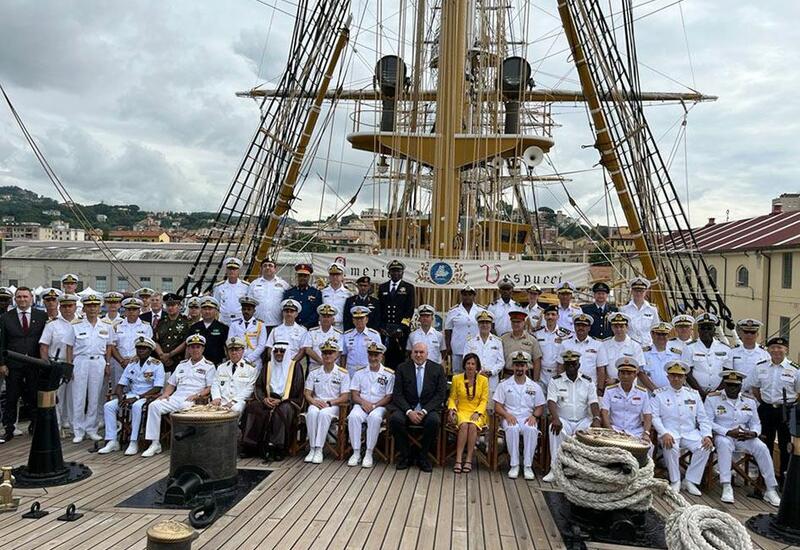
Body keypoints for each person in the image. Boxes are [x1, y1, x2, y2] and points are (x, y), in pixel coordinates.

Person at [705, 370, 781, 507]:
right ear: (724, 385)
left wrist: (754, 433)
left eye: (735, 385)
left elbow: (756, 423)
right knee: (724, 444)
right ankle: (726, 485)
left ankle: (770, 489)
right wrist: (728, 432)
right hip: (723, 435)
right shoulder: (713, 399)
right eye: (729, 385)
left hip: (744, 436)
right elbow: (707, 422)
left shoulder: (749, 401)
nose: (732, 388)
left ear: (740, 386)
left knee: (762, 448)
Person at [141, 334, 216, 457]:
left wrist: (197, 395)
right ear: (188, 349)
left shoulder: (209, 366)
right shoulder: (182, 365)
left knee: (185, 407)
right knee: (154, 405)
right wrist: (165, 394)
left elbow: (210, 387)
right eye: (192, 347)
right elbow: (171, 384)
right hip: (176, 396)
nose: (195, 350)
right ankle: (155, 443)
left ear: (203, 349)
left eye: (198, 347)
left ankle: (184, 442)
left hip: (195, 399)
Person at [650, 360, 713, 496]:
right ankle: (675, 480)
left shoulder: (693, 394)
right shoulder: (659, 394)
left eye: (679, 376)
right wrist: (664, 433)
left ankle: (690, 480)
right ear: (668, 377)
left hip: (690, 433)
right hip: (669, 432)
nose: (676, 379)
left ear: (684, 378)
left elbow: (703, 418)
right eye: (673, 375)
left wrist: (707, 435)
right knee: (670, 446)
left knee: (705, 447)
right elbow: (654, 417)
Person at [98, 336, 164, 455]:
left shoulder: (157, 364)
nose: (140, 350)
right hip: (131, 394)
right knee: (109, 406)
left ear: (150, 351)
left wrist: (137, 398)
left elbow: (158, 387)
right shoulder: (132, 364)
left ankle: (133, 442)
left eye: (144, 348)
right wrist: (120, 398)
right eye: (138, 348)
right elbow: (120, 385)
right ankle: (112, 440)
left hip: (147, 396)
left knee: (136, 406)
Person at [240, 341, 305, 461]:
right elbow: (259, 386)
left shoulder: (295, 366)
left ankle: (277, 447)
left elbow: (297, 389)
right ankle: (251, 446)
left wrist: (281, 400)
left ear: (287, 352)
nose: (278, 353)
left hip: (288, 401)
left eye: (282, 351)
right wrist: (264, 399)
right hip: (268, 399)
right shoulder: (268, 366)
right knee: (253, 408)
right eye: (276, 351)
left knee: (282, 411)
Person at [389, 342, 448, 472]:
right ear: (411, 354)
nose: (418, 355)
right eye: (415, 352)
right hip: (407, 408)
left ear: (427, 354)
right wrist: (409, 411)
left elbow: (440, 395)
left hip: (428, 409)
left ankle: (423, 456)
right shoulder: (402, 368)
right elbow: (397, 394)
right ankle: (406, 455)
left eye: (421, 352)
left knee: (434, 421)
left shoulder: (437, 369)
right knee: (395, 420)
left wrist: (424, 411)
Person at [543, 350, 601, 483]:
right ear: (564, 365)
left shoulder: (588, 381)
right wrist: (555, 418)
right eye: (568, 364)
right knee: (554, 429)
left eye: (573, 364)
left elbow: (593, 402)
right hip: (563, 420)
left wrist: (596, 418)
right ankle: (555, 469)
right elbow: (551, 401)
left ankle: (583, 472)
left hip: (582, 420)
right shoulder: (555, 381)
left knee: (593, 432)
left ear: (578, 365)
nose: (571, 367)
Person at [0, 286, 49, 441]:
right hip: (13, 365)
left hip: (34, 364)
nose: (22, 299)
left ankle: (34, 425)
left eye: (25, 296)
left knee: (34, 396)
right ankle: (9, 428)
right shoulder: (5, 317)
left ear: (31, 298)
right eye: (19, 297)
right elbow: (2, 342)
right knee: (11, 397)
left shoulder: (42, 316)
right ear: (15, 299)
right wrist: (2, 364)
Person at [751, 336, 800, 483]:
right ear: (768, 350)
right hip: (766, 409)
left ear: (786, 350)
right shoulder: (761, 367)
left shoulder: (795, 369)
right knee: (764, 444)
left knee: (786, 446)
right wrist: (764, 402)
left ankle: (784, 480)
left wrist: (791, 406)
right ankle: (763, 480)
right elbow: (755, 389)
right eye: (773, 347)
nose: (776, 350)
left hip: (786, 411)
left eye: (780, 348)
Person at [67, 293, 114, 443]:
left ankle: (91, 429)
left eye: (95, 306)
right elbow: (69, 347)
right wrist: (69, 366)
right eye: (89, 306)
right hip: (80, 361)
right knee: (78, 397)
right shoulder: (76, 325)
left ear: (99, 308)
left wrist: (107, 364)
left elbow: (109, 346)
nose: (92, 309)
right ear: (84, 308)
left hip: (98, 361)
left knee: (95, 397)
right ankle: (78, 430)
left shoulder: (106, 326)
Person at [494, 351, 546, 480]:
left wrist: (534, 416)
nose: (519, 368)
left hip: (527, 417)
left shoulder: (534, 386)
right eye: (517, 365)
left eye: (522, 365)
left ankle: (528, 466)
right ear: (512, 367)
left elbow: (540, 406)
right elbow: (497, 406)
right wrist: (506, 415)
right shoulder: (504, 385)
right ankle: (514, 465)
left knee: (531, 429)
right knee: (513, 428)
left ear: (527, 367)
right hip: (510, 417)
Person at [347, 342, 395, 468]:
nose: (373, 358)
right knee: (353, 417)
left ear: (381, 356)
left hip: (379, 406)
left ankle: (369, 453)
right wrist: (364, 403)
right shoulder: (359, 372)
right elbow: (354, 394)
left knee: (374, 418)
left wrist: (374, 406)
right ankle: (356, 452)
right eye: (370, 355)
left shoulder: (389, 374)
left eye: (376, 355)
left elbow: (388, 396)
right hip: (361, 404)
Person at [303, 338, 350, 464]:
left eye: (330, 353)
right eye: (324, 353)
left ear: (336, 355)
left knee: (324, 414)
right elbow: (307, 393)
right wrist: (313, 401)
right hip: (316, 402)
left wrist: (330, 403)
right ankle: (312, 448)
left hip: (334, 405)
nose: (327, 356)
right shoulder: (314, 373)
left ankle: (319, 449)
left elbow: (345, 396)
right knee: (312, 413)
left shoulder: (343, 373)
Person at [39, 293, 79, 431]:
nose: (67, 309)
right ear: (60, 308)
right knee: (57, 397)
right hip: (57, 363)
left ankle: (73, 425)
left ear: (75, 307)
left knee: (74, 397)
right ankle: (56, 425)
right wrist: (46, 365)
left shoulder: (81, 323)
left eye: (70, 306)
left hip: (76, 363)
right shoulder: (52, 325)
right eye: (64, 306)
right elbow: (44, 346)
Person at [447, 353, 489, 474]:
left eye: (473, 364)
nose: (470, 366)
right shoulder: (456, 379)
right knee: (464, 425)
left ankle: (469, 459)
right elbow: (452, 398)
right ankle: (458, 459)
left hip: (477, 412)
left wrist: (478, 412)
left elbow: (484, 400)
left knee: (472, 425)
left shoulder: (483, 380)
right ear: (464, 365)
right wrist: (452, 409)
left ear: (477, 366)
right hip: (461, 411)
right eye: (468, 363)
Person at [600, 357, 652, 442]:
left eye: (629, 373)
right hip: (615, 431)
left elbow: (647, 415)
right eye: (623, 373)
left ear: (635, 375)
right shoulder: (609, 391)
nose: (625, 376)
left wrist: (646, 433)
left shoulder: (642, 392)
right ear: (618, 375)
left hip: (635, 432)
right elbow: (604, 412)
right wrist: (610, 430)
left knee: (648, 446)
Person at [682, 312, 732, 399]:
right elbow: (687, 372)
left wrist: (716, 392)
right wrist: (701, 392)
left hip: (718, 394)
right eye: (703, 328)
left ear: (714, 330)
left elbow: (728, 372)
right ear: (698, 330)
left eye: (709, 328)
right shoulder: (689, 347)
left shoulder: (725, 348)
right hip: (695, 394)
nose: (706, 331)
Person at [377, 260, 416, 368]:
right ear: (389, 273)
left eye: (398, 271)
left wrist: (402, 327)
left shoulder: (408, 288)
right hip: (386, 330)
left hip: (400, 331)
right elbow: (380, 308)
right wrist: (381, 326)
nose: (395, 273)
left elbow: (409, 310)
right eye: (393, 271)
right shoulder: (383, 287)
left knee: (401, 359)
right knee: (386, 358)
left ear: (402, 273)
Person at [555, 313, 608, 390]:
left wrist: (600, 389)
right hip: (569, 386)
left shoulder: (598, 345)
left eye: (584, 326)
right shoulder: (565, 344)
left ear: (589, 328)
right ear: (574, 327)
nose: (581, 328)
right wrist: (561, 387)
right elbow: (560, 367)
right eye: (578, 325)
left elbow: (601, 370)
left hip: (590, 387)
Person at [109, 298, 153, 387]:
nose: (131, 312)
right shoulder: (117, 326)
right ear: (125, 311)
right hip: (119, 363)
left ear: (139, 311)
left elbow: (149, 347)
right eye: (129, 309)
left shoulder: (146, 327)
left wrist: (134, 359)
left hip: (138, 363)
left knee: (137, 389)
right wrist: (121, 360)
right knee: (118, 389)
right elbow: (112, 345)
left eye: (134, 309)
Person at [210, 337, 257, 415]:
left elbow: (249, 389)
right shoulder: (221, 367)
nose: (234, 352)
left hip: (238, 402)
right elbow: (215, 384)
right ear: (228, 352)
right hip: (221, 401)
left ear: (243, 351)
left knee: (234, 409)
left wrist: (234, 401)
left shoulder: (250, 369)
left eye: (237, 349)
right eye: (231, 350)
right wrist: (216, 398)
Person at [599, 312, 645, 392]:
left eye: (621, 326)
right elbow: (603, 368)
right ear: (612, 328)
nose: (618, 329)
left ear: (627, 327)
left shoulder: (635, 346)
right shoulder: (605, 345)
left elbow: (638, 369)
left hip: (630, 388)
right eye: (616, 327)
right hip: (610, 388)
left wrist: (617, 380)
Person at [463, 310, 505, 397]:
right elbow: (465, 360)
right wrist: (478, 372)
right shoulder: (470, 341)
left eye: (487, 322)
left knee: (490, 403)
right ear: (478, 324)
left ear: (491, 324)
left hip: (492, 380)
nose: (484, 325)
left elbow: (501, 362)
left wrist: (491, 372)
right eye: (482, 322)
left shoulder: (497, 341)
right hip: (474, 377)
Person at [445, 286, 485, 374]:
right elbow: (448, 330)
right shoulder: (453, 311)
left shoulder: (480, 311)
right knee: (458, 373)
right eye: (465, 294)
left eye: (470, 295)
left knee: (476, 372)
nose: (467, 297)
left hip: (475, 347)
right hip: (458, 347)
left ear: (474, 296)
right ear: (461, 296)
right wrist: (448, 346)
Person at [532, 305, 570, 388]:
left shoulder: (565, 335)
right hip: (542, 374)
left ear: (558, 317)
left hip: (558, 373)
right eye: (548, 314)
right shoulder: (537, 333)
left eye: (553, 314)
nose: (550, 317)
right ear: (544, 317)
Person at [248, 256, 290, 332]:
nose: (267, 268)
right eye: (265, 266)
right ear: (261, 269)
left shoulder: (284, 285)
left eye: (270, 265)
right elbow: (249, 304)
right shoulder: (254, 284)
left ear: (275, 269)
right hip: (257, 324)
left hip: (277, 324)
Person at [228, 296, 268, 373]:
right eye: (244, 309)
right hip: (237, 359)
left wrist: (249, 359)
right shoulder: (234, 324)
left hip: (254, 361)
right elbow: (230, 343)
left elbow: (261, 345)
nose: (246, 311)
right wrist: (239, 358)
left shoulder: (260, 325)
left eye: (249, 309)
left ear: (254, 311)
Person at [729, 318, 771, 392]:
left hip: (757, 394)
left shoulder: (765, 354)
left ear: (757, 334)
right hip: (737, 393)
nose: (749, 335)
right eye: (746, 332)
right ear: (741, 334)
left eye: (752, 332)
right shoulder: (732, 352)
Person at [341, 306, 383, 377]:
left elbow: (380, 355)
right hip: (351, 372)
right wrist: (343, 372)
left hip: (368, 371)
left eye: (361, 318)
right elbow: (343, 355)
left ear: (366, 320)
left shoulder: (374, 335)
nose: (359, 321)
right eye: (356, 319)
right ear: (353, 320)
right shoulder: (347, 335)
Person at [154, 293, 191, 372]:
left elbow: (185, 342)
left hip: (177, 360)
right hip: (160, 360)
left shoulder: (186, 322)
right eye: (168, 305)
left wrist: (170, 355)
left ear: (179, 306)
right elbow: (155, 340)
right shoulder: (161, 322)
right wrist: (161, 355)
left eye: (173, 305)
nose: (170, 308)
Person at [640, 322, 681, 392]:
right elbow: (640, 373)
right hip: (650, 394)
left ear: (668, 335)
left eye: (664, 334)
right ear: (652, 335)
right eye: (658, 334)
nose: (661, 337)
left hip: (671, 393)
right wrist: (656, 391)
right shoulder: (643, 353)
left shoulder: (676, 354)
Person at [619, 277, 660, 347]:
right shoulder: (624, 310)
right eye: (636, 291)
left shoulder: (652, 310)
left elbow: (656, 329)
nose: (638, 293)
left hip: (647, 347)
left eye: (641, 291)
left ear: (645, 291)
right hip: (629, 346)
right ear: (631, 291)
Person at [189, 297, 229, 365]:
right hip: (197, 364)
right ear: (201, 310)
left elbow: (227, 348)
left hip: (217, 364)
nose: (207, 311)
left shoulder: (223, 328)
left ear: (216, 311)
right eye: (204, 309)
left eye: (210, 309)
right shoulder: (194, 327)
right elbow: (188, 347)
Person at [302, 304, 342, 371]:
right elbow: (308, 349)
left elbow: (339, 351)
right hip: (315, 367)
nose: (326, 319)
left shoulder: (339, 334)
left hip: (332, 368)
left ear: (333, 319)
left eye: (328, 316)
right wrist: (321, 361)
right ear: (319, 318)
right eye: (324, 316)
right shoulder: (311, 332)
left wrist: (328, 362)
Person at [283, 263, 323, 329]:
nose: (302, 278)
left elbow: (317, 312)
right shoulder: (289, 293)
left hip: (310, 328)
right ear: (297, 276)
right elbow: (286, 311)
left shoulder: (316, 293)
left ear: (309, 277)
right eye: (300, 275)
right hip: (292, 328)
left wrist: (305, 326)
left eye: (305, 276)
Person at [213, 257, 250, 326]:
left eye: (234, 269)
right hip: (223, 321)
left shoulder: (246, 287)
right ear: (226, 270)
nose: (232, 271)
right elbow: (215, 306)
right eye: (229, 269)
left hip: (240, 320)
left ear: (239, 271)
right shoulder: (219, 287)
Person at [322, 262, 352, 331]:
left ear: (342, 276)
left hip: (341, 327)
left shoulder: (348, 294)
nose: (335, 277)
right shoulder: (323, 292)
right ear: (329, 276)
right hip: (325, 326)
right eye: (332, 274)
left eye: (337, 274)